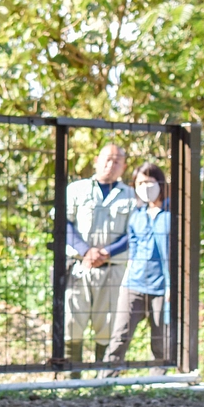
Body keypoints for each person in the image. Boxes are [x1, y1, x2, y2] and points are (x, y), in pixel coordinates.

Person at [64, 144, 134, 375]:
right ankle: (71, 378)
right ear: (96, 160)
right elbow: (64, 223)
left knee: (107, 324)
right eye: (107, 159)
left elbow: (133, 232)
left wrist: (107, 252)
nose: (110, 165)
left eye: (117, 161)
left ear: (123, 166)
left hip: (113, 268)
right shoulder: (77, 189)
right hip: (79, 266)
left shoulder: (131, 196)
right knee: (72, 322)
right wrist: (86, 250)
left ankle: (100, 379)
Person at [100, 163, 170, 377]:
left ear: (160, 183)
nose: (145, 187)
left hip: (162, 288)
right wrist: (125, 282)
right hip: (134, 284)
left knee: (161, 341)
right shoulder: (137, 215)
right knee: (120, 336)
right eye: (140, 183)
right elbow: (133, 246)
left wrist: (172, 287)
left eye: (149, 182)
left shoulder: (173, 214)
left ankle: (158, 384)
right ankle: (104, 381)